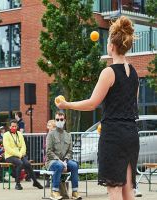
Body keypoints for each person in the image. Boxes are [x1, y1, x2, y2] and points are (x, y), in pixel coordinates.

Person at [55, 16, 139, 200]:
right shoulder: (134, 72)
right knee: (128, 190)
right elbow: (133, 104)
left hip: (114, 135)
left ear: (111, 46)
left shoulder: (109, 72)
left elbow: (92, 103)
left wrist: (66, 104)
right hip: (131, 133)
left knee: (114, 190)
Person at [46, 112, 82, 200]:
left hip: (65, 161)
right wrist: (60, 162)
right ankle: (55, 192)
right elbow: (49, 151)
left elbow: (70, 151)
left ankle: (75, 192)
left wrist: (65, 161)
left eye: (61, 119)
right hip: (52, 162)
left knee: (74, 165)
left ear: (64, 120)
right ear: (55, 120)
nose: (59, 121)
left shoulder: (68, 135)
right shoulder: (51, 134)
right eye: (57, 119)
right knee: (59, 165)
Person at [3, 119, 43, 190]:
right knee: (20, 163)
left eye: (15, 126)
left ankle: (35, 182)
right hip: (10, 156)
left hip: (20, 155)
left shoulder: (19, 134)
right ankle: (17, 183)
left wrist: (21, 154)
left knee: (27, 163)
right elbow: (7, 148)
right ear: (9, 127)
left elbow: (23, 146)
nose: (14, 128)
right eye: (13, 126)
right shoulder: (6, 135)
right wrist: (18, 154)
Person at [44, 119, 56, 188]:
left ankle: (54, 181)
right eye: (47, 125)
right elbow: (45, 146)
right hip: (48, 155)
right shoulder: (47, 135)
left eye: (49, 125)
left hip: (54, 155)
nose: (48, 127)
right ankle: (48, 181)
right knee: (46, 162)